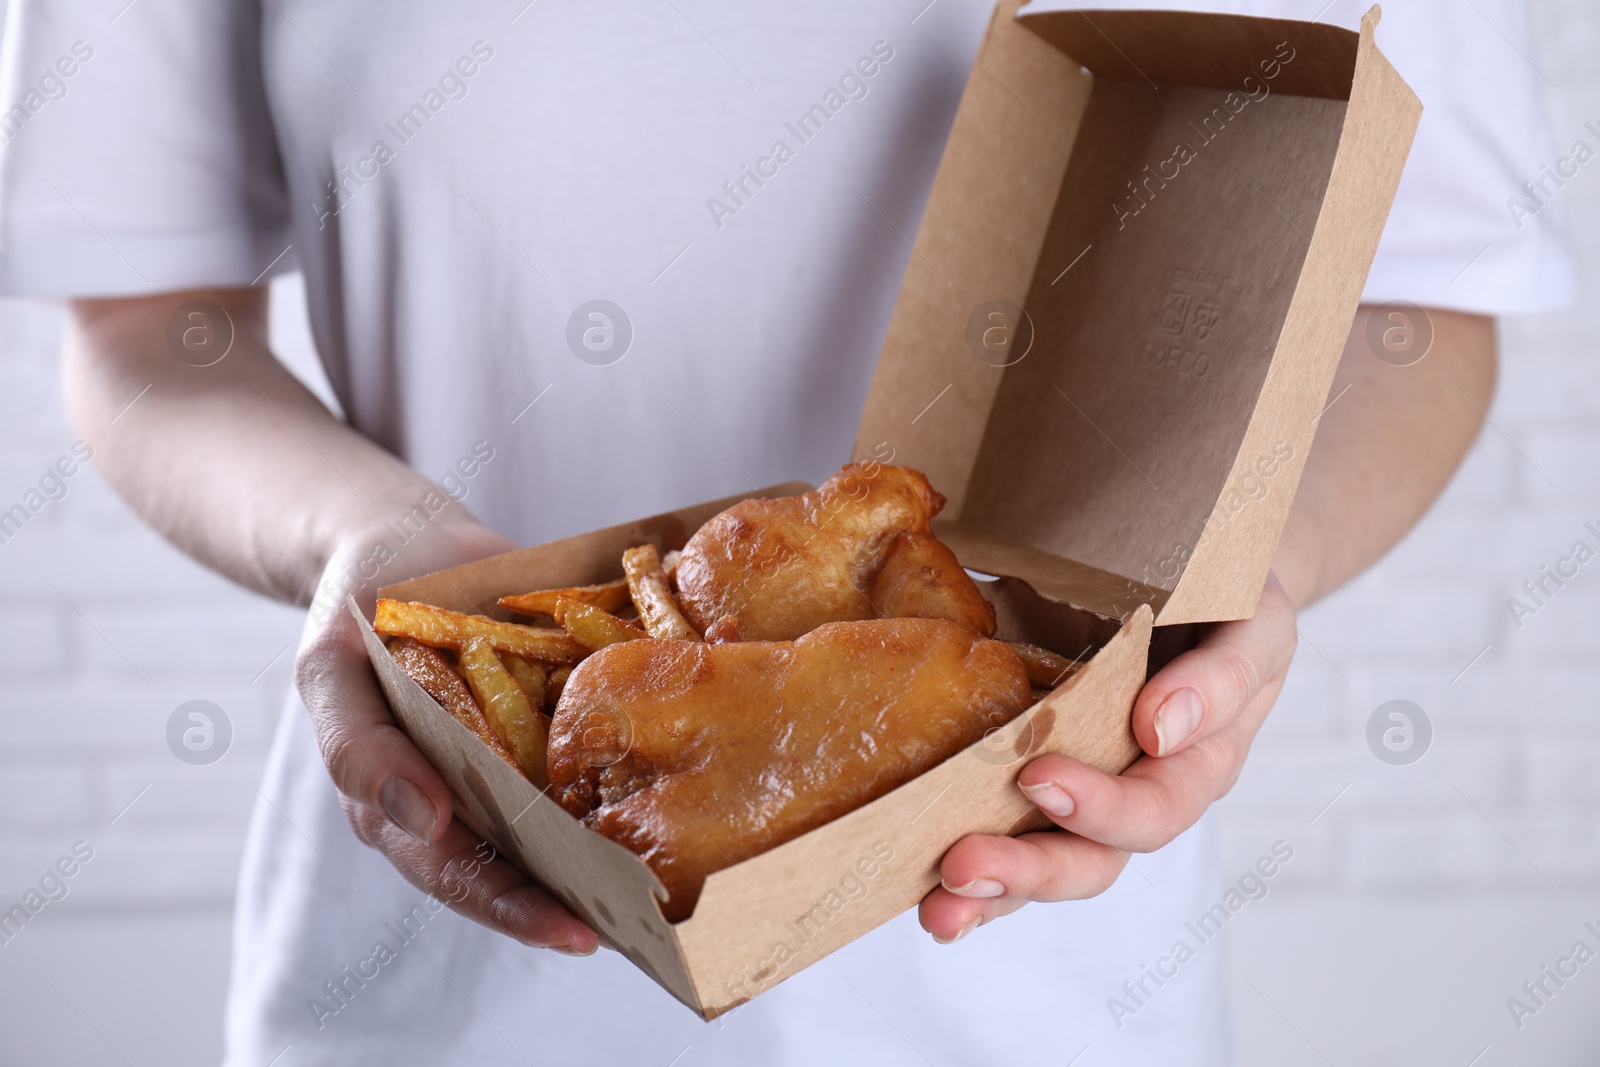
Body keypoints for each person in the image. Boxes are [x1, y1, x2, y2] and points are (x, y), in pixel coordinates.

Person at [0, 0, 1573, 1062]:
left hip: (1044, 946)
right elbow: (147, 324)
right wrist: (374, 544)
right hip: (435, 934)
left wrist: (1247, 569)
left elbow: (1420, 302)